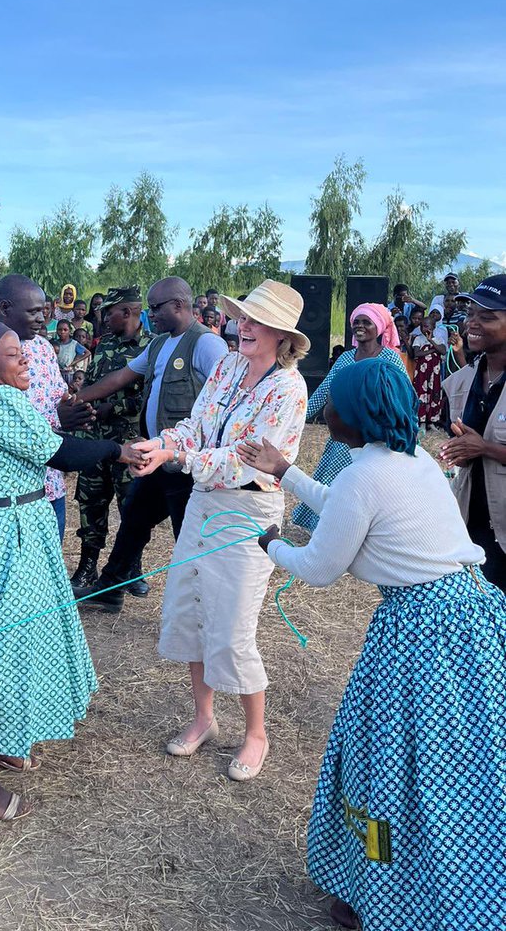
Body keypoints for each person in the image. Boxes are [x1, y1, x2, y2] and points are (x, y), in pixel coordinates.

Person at [241, 358, 505, 931]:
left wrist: (270, 545)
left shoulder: (365, 476)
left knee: (392, 761)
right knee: (462, 763)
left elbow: (318, 567)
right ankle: (461, 875)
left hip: (419, 635)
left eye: (333, 398)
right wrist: (285, 470)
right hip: (472, 616)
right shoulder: (408, 461)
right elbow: (344, 504)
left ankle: (387, 894)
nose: (325, 405)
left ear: (351, 415)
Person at [0, 320, 141, 822]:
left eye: (24, 354)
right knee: (16, 652)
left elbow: (46, 440)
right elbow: (59, 450)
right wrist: (118, 450)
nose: (26, 362)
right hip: (7, 539)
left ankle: (8, 737)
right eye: (14, 355)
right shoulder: (3, 403)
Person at [130, 280, 308, 780]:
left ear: (283, 336)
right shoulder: (228, 365)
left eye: (256, 321)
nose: (243, 326)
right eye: (242, 317)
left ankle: (256, 734)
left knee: (232, 629)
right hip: (204, 501)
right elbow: (196, 424)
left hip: (248, 514)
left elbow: (243, 462)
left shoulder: (288, 388)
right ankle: (204, 718)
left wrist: (177, 455)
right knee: (190, 610)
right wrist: (163, 442)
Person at [74, 277, 228, 609]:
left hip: (185, 462)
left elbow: (223, 399)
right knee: (134, 517)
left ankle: (204, 607)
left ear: (179, 305)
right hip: (160, 456)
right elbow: (119, 378)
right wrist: (77, 398)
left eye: (155, 308)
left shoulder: (205, 344)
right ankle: (110, 590)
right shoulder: (159, 344)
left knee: (187, 536)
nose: (150, 314)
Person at [0, 275, 94, 541]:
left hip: (50, 481)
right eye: (34, 311)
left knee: (49, 561)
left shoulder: (43, 347)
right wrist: (56, 418)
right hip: (8, 493)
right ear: (5, 309)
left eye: (43, 311)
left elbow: (58, 394)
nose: (42, 318)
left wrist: (75, 410)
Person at [292, 304, 407, 531]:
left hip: (377, 435)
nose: (360, 327)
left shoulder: (390, 360)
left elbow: (404, 396)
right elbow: (324, 391)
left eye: (366, 322)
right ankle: (327, 529)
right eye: (356, 322)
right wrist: (298, 417)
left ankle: (361, 530)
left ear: (380, 327)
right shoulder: (345, 358)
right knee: (334, 482)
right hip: (345, 434)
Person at [72, 287, 151, 593]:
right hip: (96, 441)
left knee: (132, 507)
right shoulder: (103, 343)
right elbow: (91, 384)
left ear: (128, 313)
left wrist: (114, 407)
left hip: (130, 442)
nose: (103, 318)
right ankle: (87, 567)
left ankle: (132, 570)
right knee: (91, 502)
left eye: (109, 313)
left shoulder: (151, 346)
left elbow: (149, 397)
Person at [441, 274, 506, 591]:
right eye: (470, 314)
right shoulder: (462, 381)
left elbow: (482, 446)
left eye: (487, 316)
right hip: (472, 529)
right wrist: (461, 453)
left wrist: (486, 449)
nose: (472, 323)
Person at [410, 314, 444, 429]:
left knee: (434, 394)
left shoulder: (438, 339)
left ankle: (432, 421)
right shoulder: (418, 339)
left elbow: (443, 351)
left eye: (427, 326)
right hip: (422, 373)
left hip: (435, 373)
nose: (425, 329)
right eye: (423, 326)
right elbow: (417, 353)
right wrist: (433, 350)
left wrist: (431, 342)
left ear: (433, 327)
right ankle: (422, 422)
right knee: (421, 394)